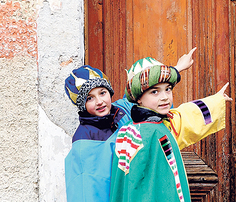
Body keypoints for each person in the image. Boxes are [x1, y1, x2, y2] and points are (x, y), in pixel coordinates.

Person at [63, 48, 196, 202]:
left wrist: (176, 70)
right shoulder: (83, 139)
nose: (99, 101)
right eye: (90, 98)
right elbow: (86, 189)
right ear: (81, 105)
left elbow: (142, 89)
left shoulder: (121, 110)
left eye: (102, 93)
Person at [109, 56, 232, 202]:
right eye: (155, 92)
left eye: (168, 89)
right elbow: (138, 187)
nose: (165, 97)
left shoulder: (160, 124)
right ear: (138, 98)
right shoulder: (144, 133)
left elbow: (188, 113)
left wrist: (216, 101)